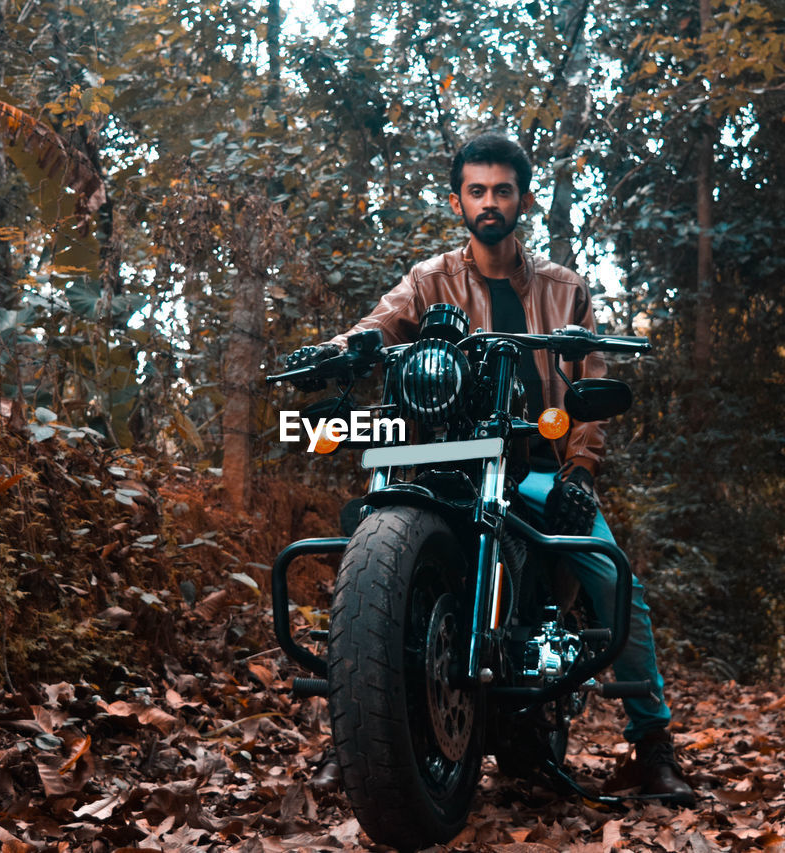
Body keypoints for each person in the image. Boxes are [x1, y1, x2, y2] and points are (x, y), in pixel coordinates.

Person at [286, 131, 695, 807]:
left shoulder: (564, 291)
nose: (489, 201)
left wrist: (580, 472)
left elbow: (589, 374)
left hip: (530, 469)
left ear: (522, 199)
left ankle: (653, 747)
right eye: (476, 190)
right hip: (435, 467)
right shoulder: (428, 282)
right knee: (364, 565)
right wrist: (332, 352)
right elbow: (376, 326)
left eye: (502, 189)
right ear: (457, 202)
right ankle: (353, 736)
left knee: (612, 575)